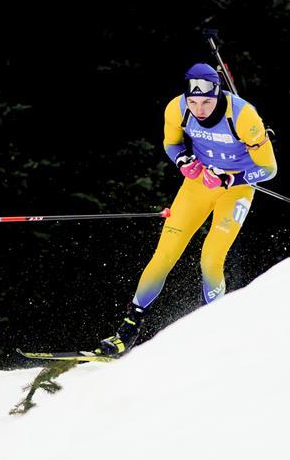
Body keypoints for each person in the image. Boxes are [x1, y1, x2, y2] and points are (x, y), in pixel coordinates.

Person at [97, 62, 277, 355]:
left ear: (218, 94)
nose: (200, 109)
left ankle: (216, 327)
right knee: (165, 253)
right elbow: (172, 144)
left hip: (236, 190)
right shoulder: (177, 109)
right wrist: (184, 162)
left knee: (210, 258)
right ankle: (126, 330)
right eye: (193, 102)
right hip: (199, 185)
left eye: (206, 101)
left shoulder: (243, 115)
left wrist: (231, 178)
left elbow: (269, 169)